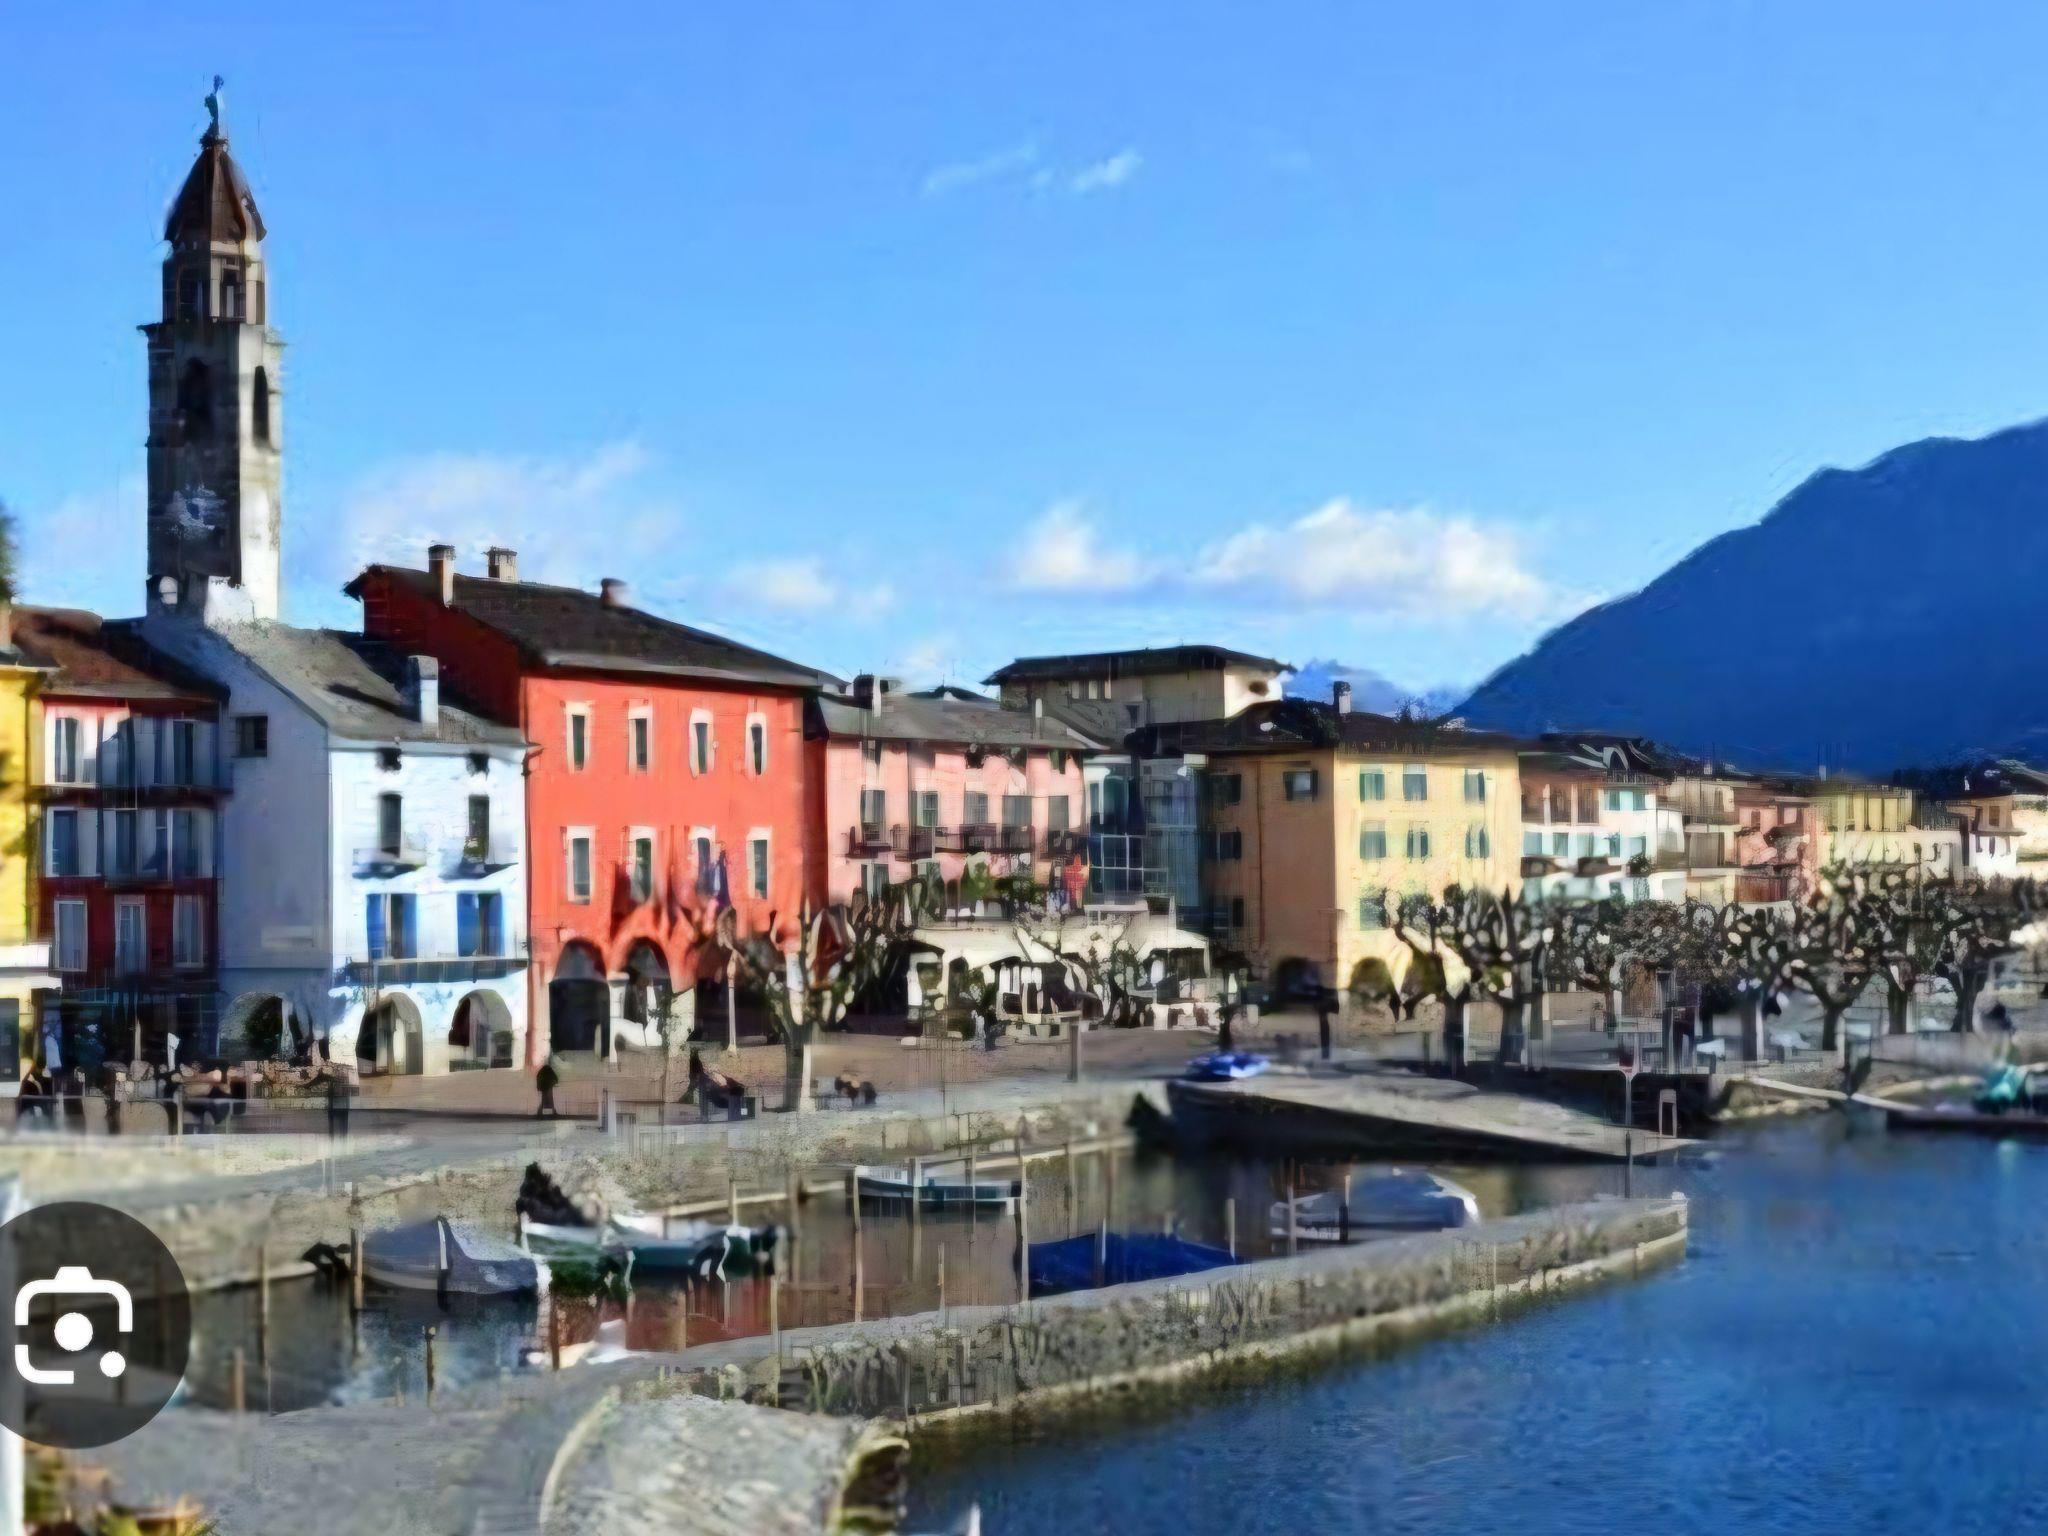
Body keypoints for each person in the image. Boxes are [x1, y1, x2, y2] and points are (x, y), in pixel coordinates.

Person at [325, 1060, 353, 1139]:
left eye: (341, 1070)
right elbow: (330, 1095)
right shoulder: (335, 1082)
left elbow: (347, 1096)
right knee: (339, 1126)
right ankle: (340, 1137)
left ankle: (340, 1137)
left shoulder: (337, 1082)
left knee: (340, 1126)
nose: (340, 1072)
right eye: (338, 1070)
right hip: (338, 1108)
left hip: (339, 1108)